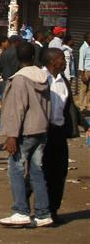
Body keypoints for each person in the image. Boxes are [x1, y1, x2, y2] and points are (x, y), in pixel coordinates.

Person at [0, 41, 52, 228]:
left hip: (25, 132)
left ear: (17, 58)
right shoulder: (43, 77)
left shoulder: (20, 79)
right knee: (37, 170)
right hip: (41, 129)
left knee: (16, 169)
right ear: (33, 57)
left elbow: (17, 109)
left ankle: (21, 211)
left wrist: (12, 135)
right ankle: (43, 212)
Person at [41, 47, 85, 224]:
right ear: (52, 61)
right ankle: (26, 208)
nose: (65, 61)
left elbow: (70, 107)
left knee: (59, 173)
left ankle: (53, 210)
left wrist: (84, 124)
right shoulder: (40, 79)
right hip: (42, 132)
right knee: (38, 172)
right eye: (61, 58)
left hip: (59, 133)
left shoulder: (63, 81)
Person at [78, 32, 90, 111]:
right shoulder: (83, 48)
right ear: (87, 39)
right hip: (86, 71)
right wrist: (82, 75)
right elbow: (81, 61)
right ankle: (81, 106)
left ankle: (87, 105)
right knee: (83, 89)